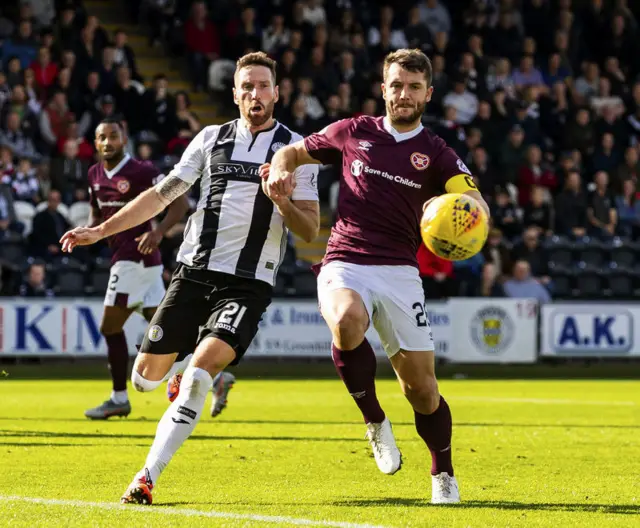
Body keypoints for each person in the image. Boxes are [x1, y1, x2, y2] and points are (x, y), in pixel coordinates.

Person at [59, 51, 320, 504]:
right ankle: (177, 369)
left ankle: (146, 477)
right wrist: (100, 230)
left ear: (277, 92)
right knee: (143, 378)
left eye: (263, 85)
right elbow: (161, 196)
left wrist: (282, 202)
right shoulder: (210, 139)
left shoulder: (297, 151)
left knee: (200, 376)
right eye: (247, 86)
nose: (255, 94)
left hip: (248, 283)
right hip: (194, 274)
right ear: (235, 94)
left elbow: (310, 228)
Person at [265, 48, 490, 504]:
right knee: (347, 321)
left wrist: (454, 210)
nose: (403, 95)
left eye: (413, 87)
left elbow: (477, 205)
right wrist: (281, 173)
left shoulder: (438, 153)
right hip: (345, 259)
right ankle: (374, 420)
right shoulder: (354, 131)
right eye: (396, 85)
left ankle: (442, 472)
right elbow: (292, 151)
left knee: (422, 391)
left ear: (428, 93)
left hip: (401, 272)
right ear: (382, 88)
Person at [82, 118, 189, 420]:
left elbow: (179, 204)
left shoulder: (142, 171)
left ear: (124, 138)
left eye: (113, 136)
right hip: (137, 262)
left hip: (135, 259)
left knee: (110, 327)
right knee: (163, 327)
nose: (107, 142)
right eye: (101, 137)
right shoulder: (94, 174)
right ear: (96, 141)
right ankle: (211, 373)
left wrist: (158, 232)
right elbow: (96, 215)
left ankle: (118, 398)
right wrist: (85, 234)